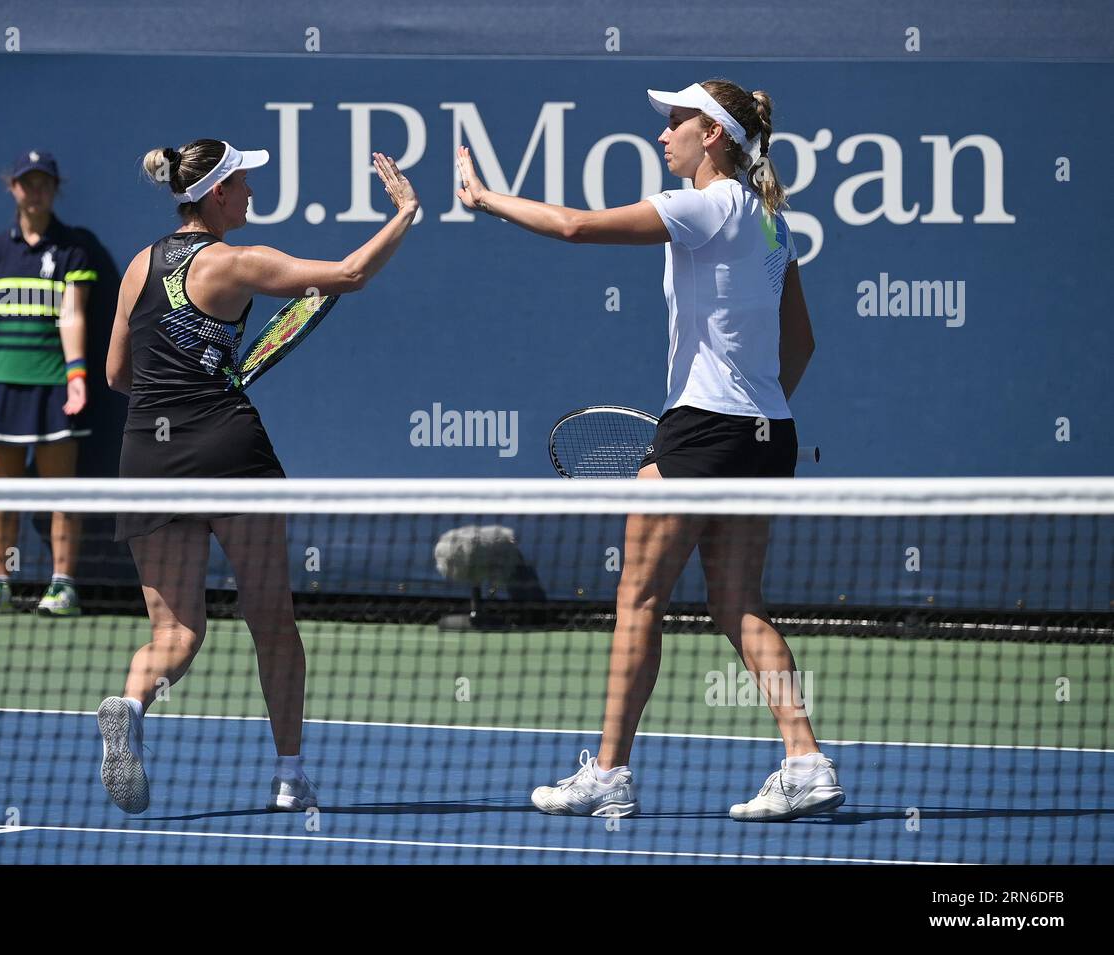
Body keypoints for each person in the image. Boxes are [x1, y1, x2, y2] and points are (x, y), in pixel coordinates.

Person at [456, 79, 840, 822]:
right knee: (740, 604)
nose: (664, 135)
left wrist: (485, 197)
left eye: (677, 123)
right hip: (770, 431)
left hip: (701, 429)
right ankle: (805, 760)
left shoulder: (702, 207)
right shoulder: (772, 222)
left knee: (637, 598)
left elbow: (573, 226)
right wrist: (753, 409)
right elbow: (804, 342)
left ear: (715, 136)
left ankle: (609, 772)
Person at [98, 140, 418, 814]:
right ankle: (288, 775)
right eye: (243, 183)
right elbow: (350, 274)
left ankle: (129, 703)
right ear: (216, 193)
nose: (250, 194)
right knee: (272, 618)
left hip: (148, 457)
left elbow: (118, 376)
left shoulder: (135, 268)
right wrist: (405, 213)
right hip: (227, 447)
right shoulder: (238, 262)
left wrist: (189, 371)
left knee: (175, 635)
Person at [0, 150, 96, 618]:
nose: (36, 191)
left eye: (44, 183)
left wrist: (76, 376)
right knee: (1, 491)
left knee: (60, 492)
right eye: (27, 183)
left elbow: (72, 315)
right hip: (1, 388)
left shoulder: (72, 249)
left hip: (52, 387)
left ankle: (63, 586)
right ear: (13, 188)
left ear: (55, 188)